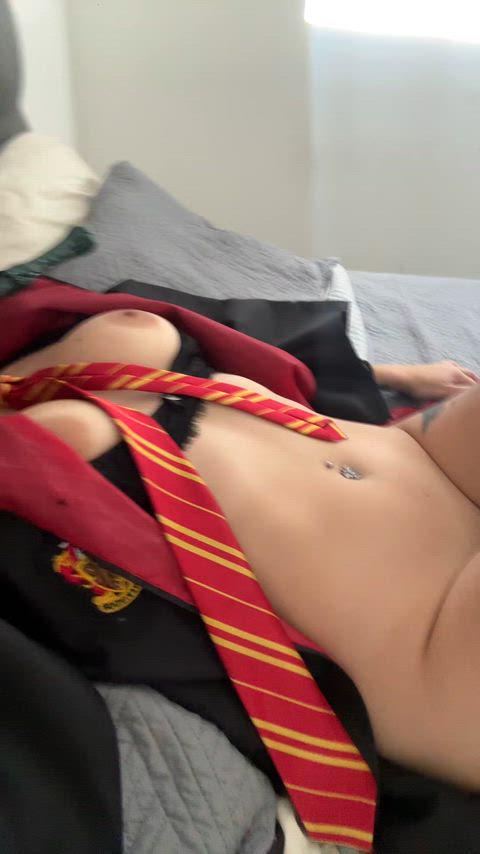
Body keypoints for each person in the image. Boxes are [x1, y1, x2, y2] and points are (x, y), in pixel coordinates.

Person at [1, 306, 479, 802]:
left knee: (79, 415)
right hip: (305, 425)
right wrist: (389, 375)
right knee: (137, 335)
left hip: (153, 479)